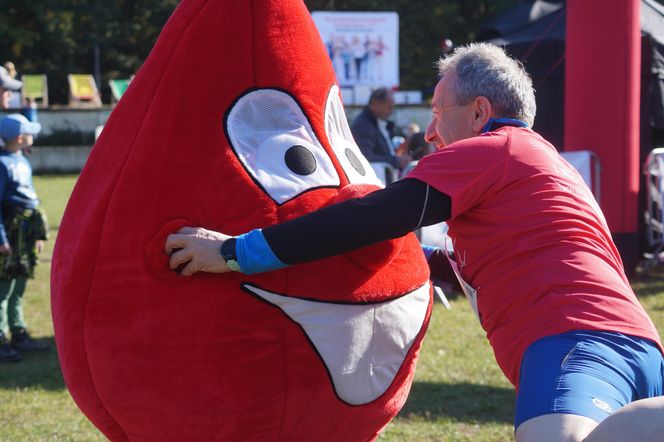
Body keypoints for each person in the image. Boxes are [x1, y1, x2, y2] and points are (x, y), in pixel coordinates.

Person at [165, 43, 664, 441]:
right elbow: (481, 262)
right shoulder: (541, 160)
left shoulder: (493, 147)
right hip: (636, 348)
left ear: (479, 112)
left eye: (437, 111)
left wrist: (234, 252)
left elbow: (371, 216)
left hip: (578, 341)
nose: (428, 133)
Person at [0, 113, 49, 363]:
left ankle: (18, 331)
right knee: (4, 288)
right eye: (30, 132)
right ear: (20, 138)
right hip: (10, 232)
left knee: (19, 284)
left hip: (25, 234)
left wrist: (36, 235)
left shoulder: (22, 159)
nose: (32, 135)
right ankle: (1, 339)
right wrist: (1, 239)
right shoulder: (2, 164)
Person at [351, 87, 411, 172]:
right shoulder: (363, 125)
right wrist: (396, 161)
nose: (391, 111)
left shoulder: (378, 122)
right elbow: (365, 157)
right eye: (389, 107)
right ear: (375, 105)